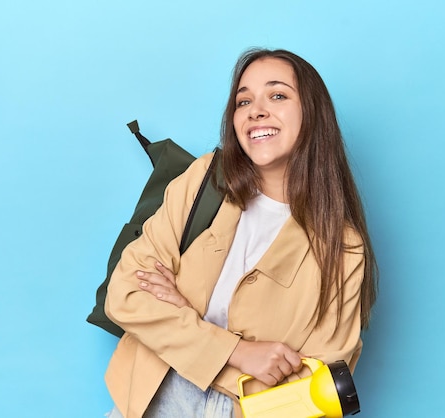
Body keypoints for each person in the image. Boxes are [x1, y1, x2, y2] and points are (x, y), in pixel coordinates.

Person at [104, 48, 378, 418]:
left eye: (277, 95)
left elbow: (316, 393)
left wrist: (188, 322)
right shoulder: (205, 181)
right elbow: (126, 294)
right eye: (243, 100)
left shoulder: (343, 248)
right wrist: (238, 352)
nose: (256, 110)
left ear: (313, 114)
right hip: (150, 398)